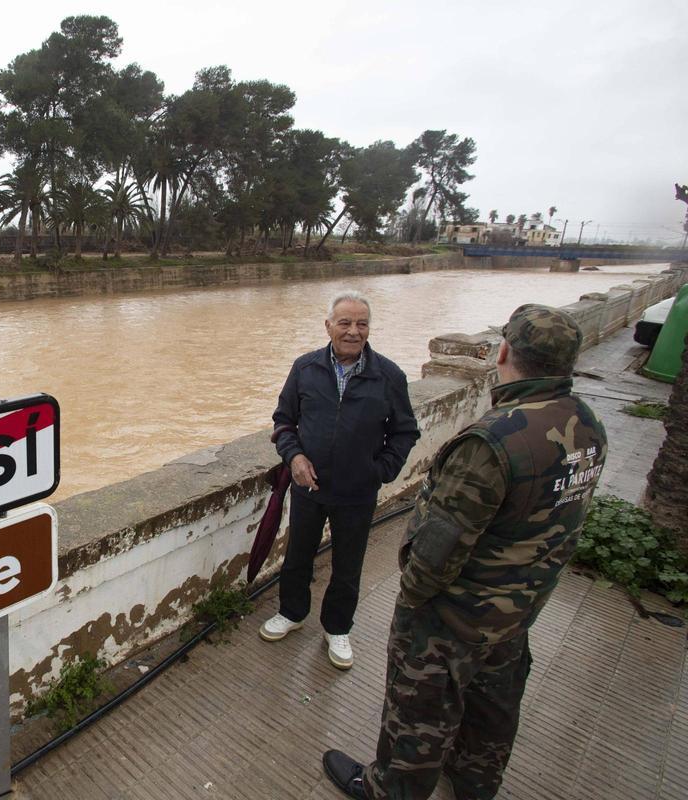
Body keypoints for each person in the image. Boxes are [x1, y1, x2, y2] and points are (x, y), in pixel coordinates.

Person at [321, 304, 608, 799]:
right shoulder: (585, 422)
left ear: (504, 352)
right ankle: (475, 782)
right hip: (520, 609)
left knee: (421, 709)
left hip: (457, 614)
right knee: (493, 705)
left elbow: (438, 547)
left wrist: (412, 603)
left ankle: (391, 789)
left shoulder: (495, 439)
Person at [260, 291, 419, 669]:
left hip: (357, 493)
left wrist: (379, 471)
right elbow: (283, 421)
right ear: (328, 326)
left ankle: (337, 628)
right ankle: (292, 614)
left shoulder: (388, 376)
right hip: (308, 489)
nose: (353, 331)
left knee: (348, 565)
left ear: (369, 329)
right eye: (344, 323)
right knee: (298, 556)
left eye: (361, 324)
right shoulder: (305, 368)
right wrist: (294, 456)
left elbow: (405, 432)